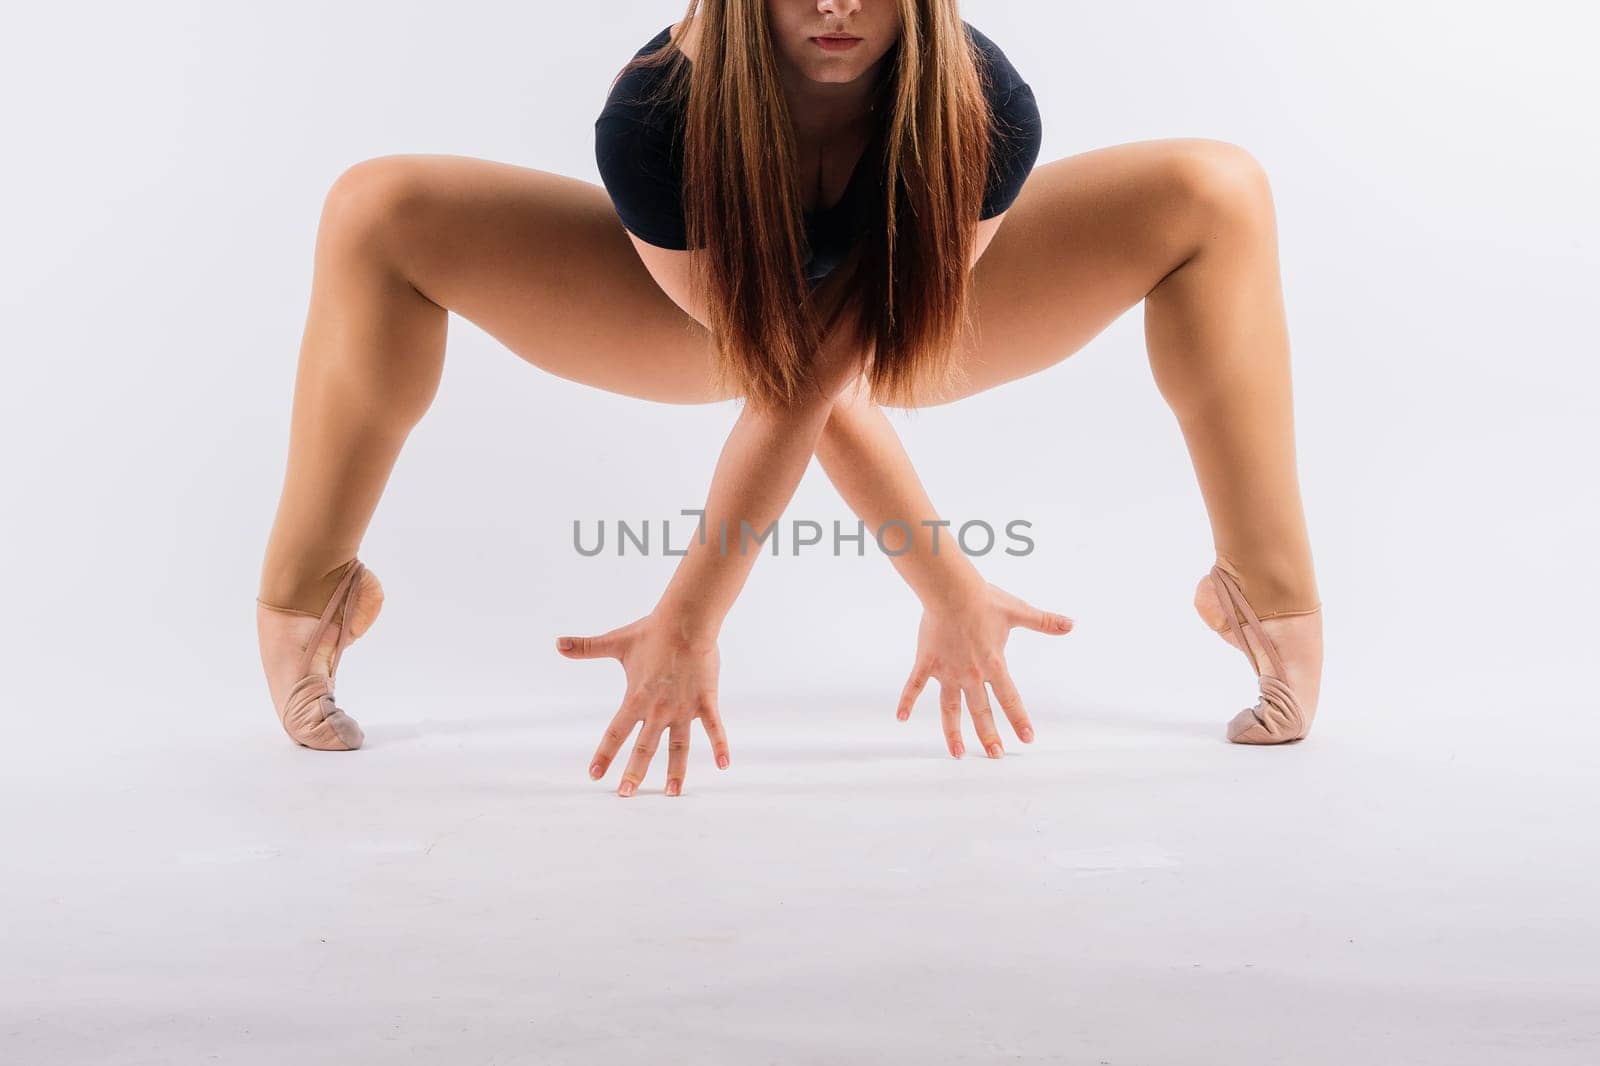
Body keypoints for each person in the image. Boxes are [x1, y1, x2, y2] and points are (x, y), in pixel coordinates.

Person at [255, 0, 1324, 798]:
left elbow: (840, 363)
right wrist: (936, 584)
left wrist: (715, 611)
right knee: (376, 209)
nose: (832, 7)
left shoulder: (982, 103)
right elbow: (784, 371)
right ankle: (309, 604)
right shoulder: (654, 117)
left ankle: (1266, 599)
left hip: (921, 323)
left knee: (1216, 190)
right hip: (696, 330)